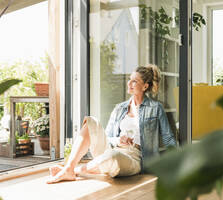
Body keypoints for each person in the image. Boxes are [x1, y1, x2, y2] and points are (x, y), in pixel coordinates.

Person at [47, 64, 177, 184]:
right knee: (91, 122)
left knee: (112, 156)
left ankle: (73, 171)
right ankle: (69, 168)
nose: (129, 83)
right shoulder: (120, 108)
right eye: (130, 79)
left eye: (134, 81)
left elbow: (168, 137)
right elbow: (108, 136)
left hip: (134, 158)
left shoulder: (155, 108)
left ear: (145, 86)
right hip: (114, 148)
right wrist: (118, 140)